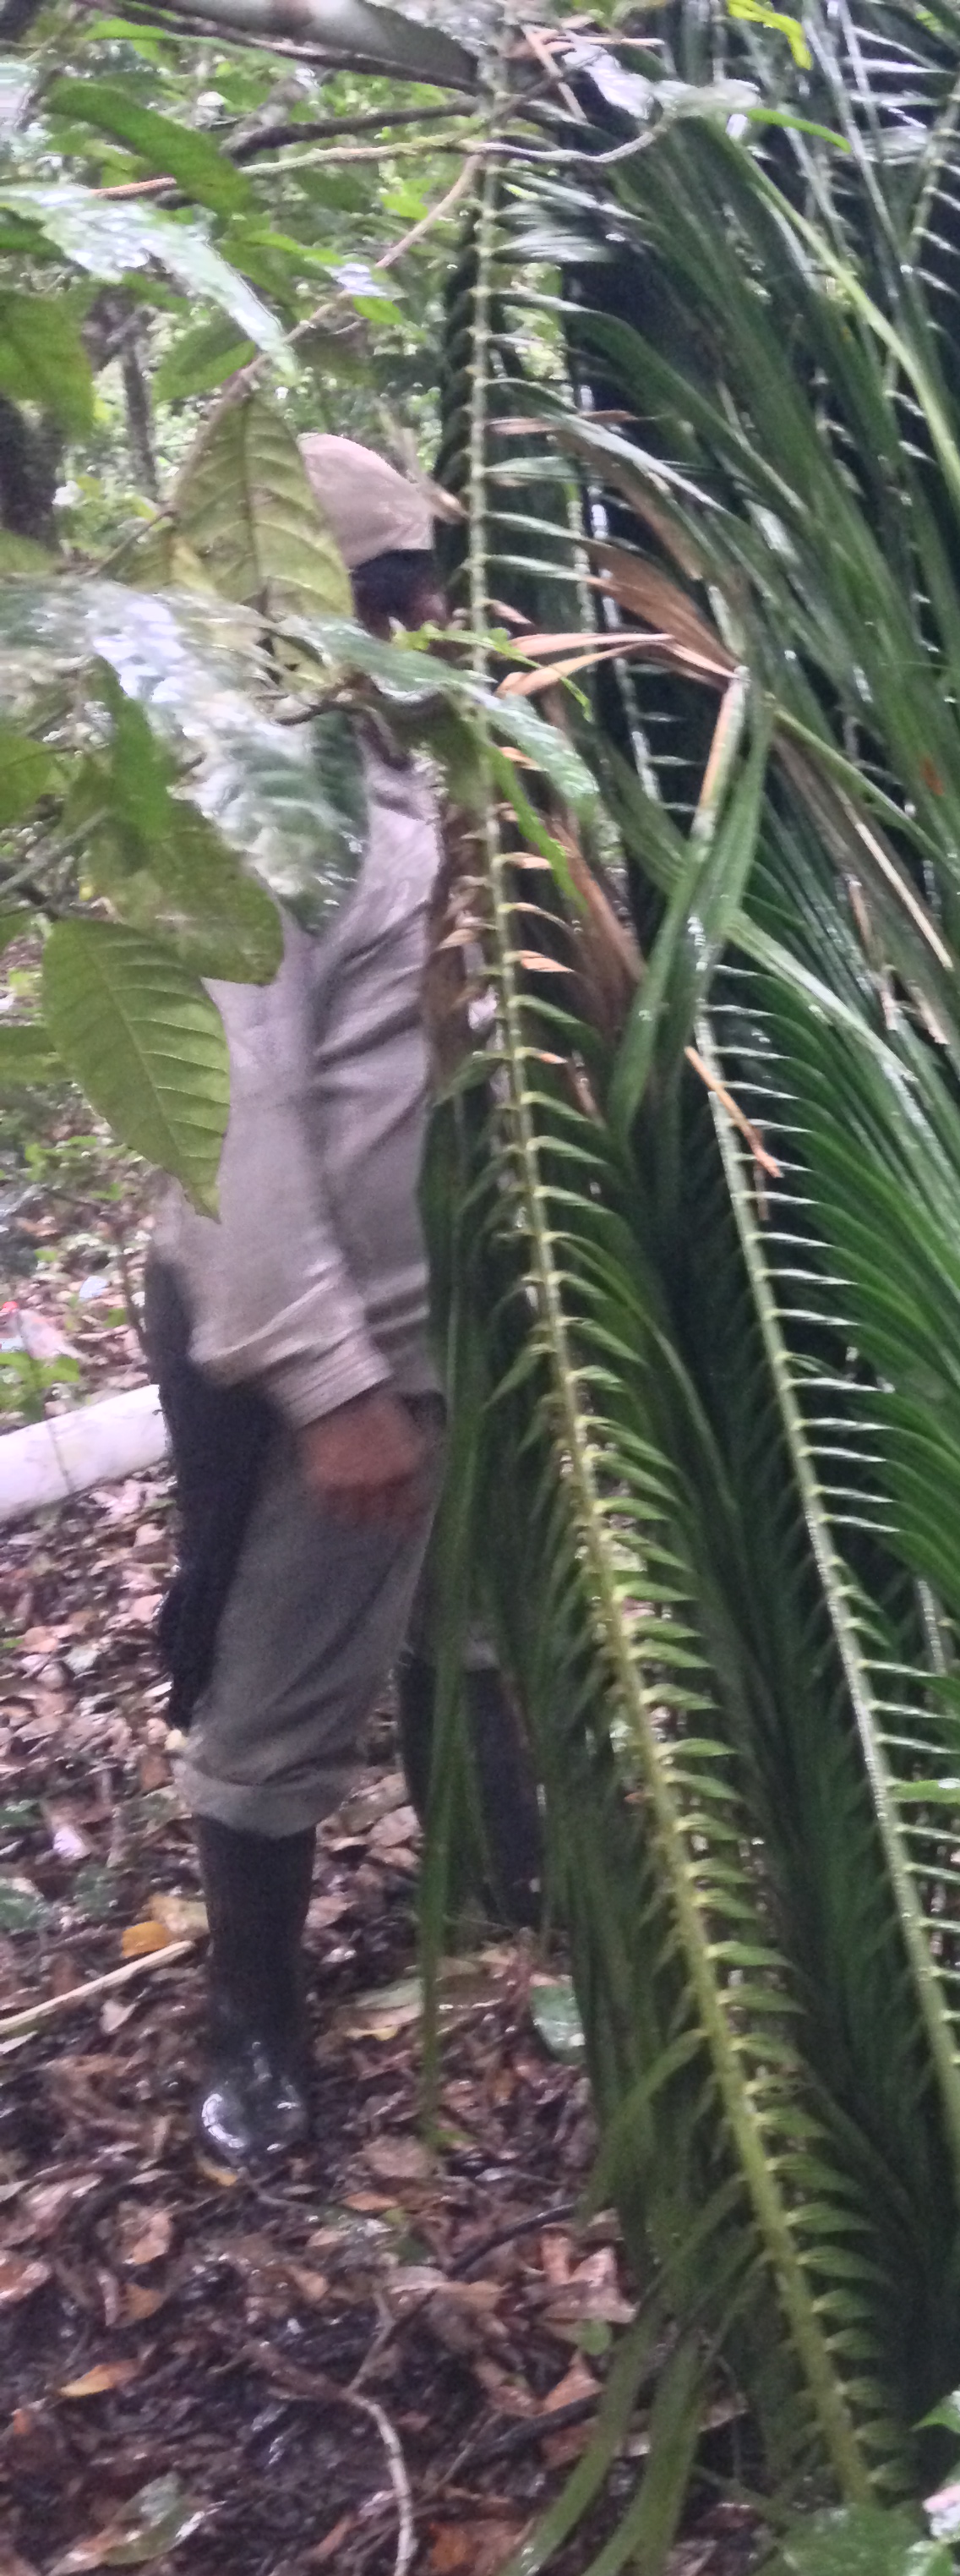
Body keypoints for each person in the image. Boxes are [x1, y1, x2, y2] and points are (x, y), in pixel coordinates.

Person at [145, 432, 535, 2174]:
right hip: (335, 1340)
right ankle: (255, 2022)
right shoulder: (253, 804)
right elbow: (234, 1117)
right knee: (279, 1686)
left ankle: (503, 1883)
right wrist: (330, 1381)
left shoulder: (421, 773)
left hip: (449, 1327)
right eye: (397, 592)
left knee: (467, 1616)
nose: (432, 613)